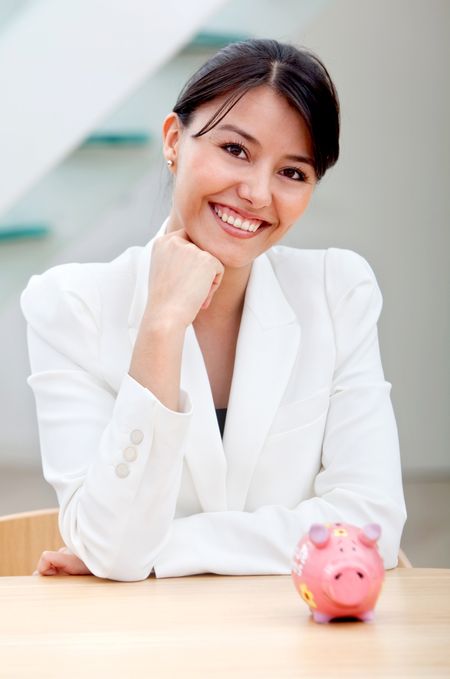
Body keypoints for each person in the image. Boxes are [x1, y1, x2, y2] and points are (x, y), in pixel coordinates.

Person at [21, 39, 406, 581]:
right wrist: (160, 327)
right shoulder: (71, 306)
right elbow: (114, 547)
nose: (255, 193)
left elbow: (371, 529)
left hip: (302, 646)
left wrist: (166, 550)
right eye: (235, 150)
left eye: (292, 173)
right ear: (175, 141)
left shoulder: (337, 292)